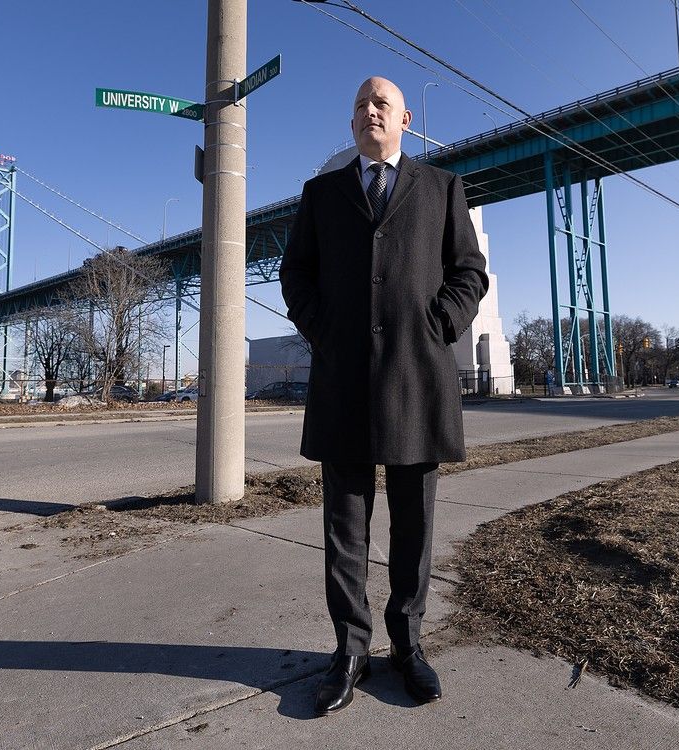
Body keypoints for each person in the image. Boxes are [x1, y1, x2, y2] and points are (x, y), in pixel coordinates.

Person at [280, 76, 488, 716]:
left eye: (382, 103)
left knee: (414, 527)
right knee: (344, 528)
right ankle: (349, 651)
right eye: (359, 105)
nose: (369, 110)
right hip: (344, 379)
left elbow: (470, 272)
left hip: (415, 377)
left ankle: (408, 646)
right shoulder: (321, 193)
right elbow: (296, 273)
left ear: (405, 120)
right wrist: (325, 330)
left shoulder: (442, 188)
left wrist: (440, 325)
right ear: (352, 125)